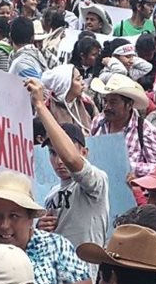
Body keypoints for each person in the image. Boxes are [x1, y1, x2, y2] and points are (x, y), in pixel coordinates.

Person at [28, 80, 110, 251]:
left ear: (84, 153)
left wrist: (40, 106)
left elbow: (72, 161)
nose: (59, 160)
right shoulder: (51, 195)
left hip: (86, 272)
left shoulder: (96, 182)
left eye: (63, 152)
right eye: (52, 153)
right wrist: (40, 228)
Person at [89, 74, 156, 182]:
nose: (107, 107)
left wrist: (128, 167)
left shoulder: (146, 130)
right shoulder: (98, 122)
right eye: (105, 101)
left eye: (113, 102)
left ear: (129, 105)